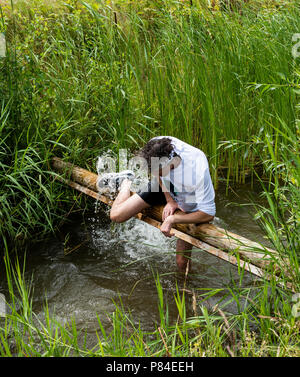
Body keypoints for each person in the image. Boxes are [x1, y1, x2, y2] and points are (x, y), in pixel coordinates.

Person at [109, 136, 216, 273]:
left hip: (190, 198)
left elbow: (208, 214)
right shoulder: (158, 144)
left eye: (158, 171)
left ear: (169, 163)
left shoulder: (197, 171)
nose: (154, 173)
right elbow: (157, 175)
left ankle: (187, 290)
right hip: (165, 188)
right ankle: (125, 181)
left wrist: (173, 218)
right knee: (116, 216)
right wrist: (170, 200)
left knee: (182, 263)